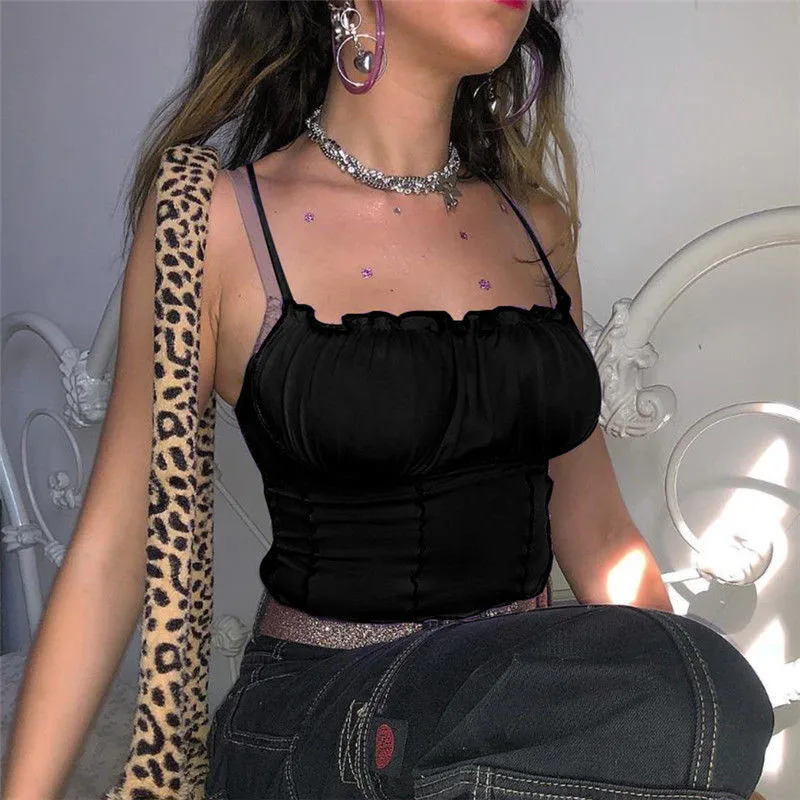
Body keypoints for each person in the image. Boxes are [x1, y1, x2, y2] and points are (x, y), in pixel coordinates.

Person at [3, 1, 774, 799]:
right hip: (317, 717)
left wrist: (696, 737)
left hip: (507, 724)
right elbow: (112, 551)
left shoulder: (536, 228)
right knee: (696, 691)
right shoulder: (218, 222)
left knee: (712, 690)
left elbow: (598, 531)